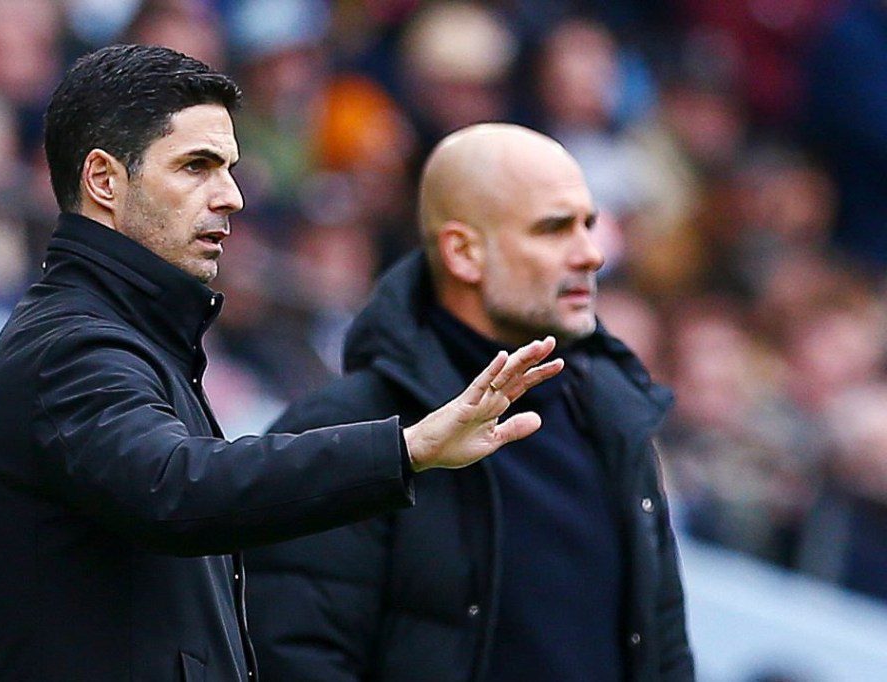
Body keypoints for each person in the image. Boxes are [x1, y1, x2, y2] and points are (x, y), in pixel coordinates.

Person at [0, 45, 562, 682]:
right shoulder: (72, 348)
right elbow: (178, 486)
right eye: (197, 166)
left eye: (229, 168)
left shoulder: (136, 340)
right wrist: (403, 449)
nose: (232, 197)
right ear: (105, 181)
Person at [245, 124, 695, 681]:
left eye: (589, 225)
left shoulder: (616, 425)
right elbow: (294, 658)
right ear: (463, 252)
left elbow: (664, 653)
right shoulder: (342, 434)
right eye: (554, 228)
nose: (591, 255)